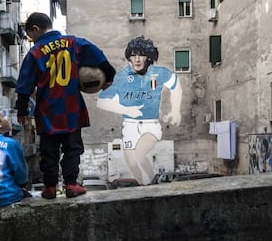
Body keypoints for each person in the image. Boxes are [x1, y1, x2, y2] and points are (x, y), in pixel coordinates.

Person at [15, 12, 115, 199]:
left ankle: (50, 187)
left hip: (47, 110)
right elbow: (98, 55)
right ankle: (71, 184)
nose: (32, 40)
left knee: (48, 151)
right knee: (73, 148)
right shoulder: (73, 42)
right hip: (71, 107)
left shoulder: (35, 52)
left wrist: (22, 109)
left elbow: (24, 84)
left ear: (36, 29)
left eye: (31, 36)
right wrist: (109, 75)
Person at [97, 36, 182, 185]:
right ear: (129, 57)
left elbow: (176, 87)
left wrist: (175, 111)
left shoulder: (160, 73)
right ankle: (143, 185)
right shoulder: (122, 76)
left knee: (139, 154)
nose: (137, 59)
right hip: (129, 126)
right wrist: (126, 110)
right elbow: (102, 101)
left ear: (148, 57)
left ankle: (151, 184)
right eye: (133, 55)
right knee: (131, 161)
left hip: (151, 125)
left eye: (141, 55)